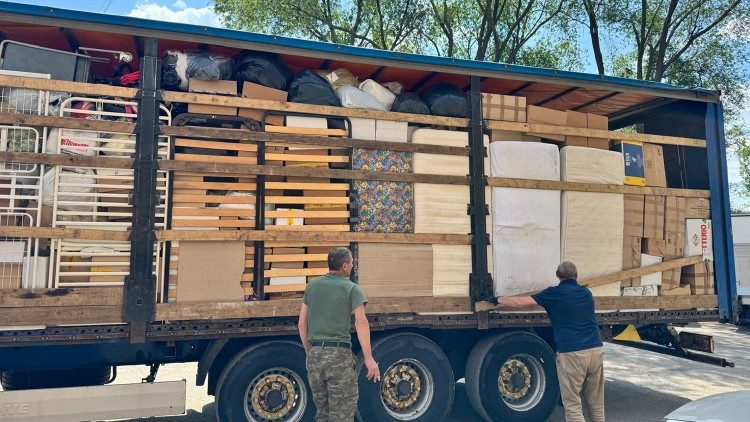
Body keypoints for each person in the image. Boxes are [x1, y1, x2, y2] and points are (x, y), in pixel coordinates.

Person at [479, 261, 604, 422]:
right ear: (576, 276)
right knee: (596, 404)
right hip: (595, 350)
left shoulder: (554, 294)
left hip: (572, 353)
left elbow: (520, 302)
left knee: (573, 405)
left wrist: (497, 300)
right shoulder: (586, 293)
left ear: (558, 276)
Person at [298, 247, 380, 421]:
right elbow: (360, 322)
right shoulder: (351, 289)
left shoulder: (312, 286)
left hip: (314, 356)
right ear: (344, 266)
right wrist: (369, 358)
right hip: (338, 357)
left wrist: (310, 351)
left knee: (322, 413)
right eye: (351, 263)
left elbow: (301, 324)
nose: (352, 266)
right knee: (341, 414)